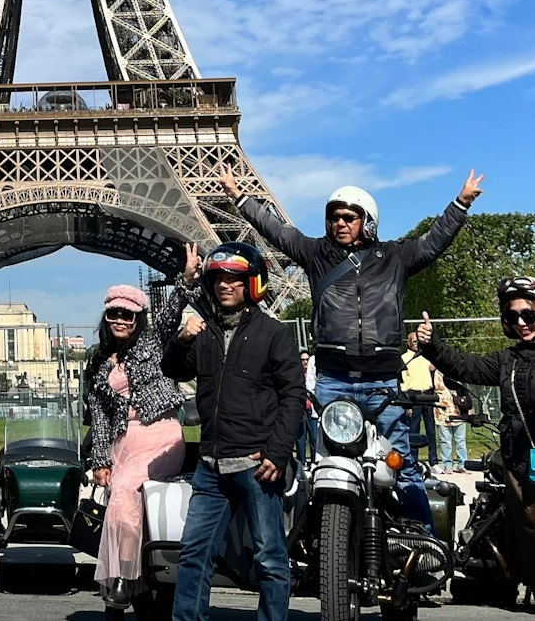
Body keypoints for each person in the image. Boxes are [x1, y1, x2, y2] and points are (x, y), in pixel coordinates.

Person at [226, 164, 483, 527]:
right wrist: (240, 197)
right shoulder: (316, 254)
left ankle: (425, 545)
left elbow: (433, 243)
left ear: (368, 221)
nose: (340, 224)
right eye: (334, 218)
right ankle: (326, 541)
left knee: (404, 468)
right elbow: (277, 232)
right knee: (327, 469)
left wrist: (460, 203)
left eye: (349, 217)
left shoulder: (395, 257)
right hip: (334, 380)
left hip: (382, 383)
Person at [161, 241, 305, 621]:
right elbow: (172, 370)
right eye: (219, 279)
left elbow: (294, 395)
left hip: (255, 465)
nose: (225, 285)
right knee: (193, 555)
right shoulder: (204, 332)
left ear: (252, 284)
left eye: (235, 279)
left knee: (270, 558)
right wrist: (181, 339)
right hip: (211, 466)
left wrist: (277, 452)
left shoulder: (274, 334)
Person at [84, 246, 200, 610]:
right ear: (107, 317)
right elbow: (100, 416)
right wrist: (100, 458)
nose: (120, 320)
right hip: (124, 441)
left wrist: (184, 280)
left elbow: (169, 316)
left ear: (138, 319)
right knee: (122, 491)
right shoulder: (99, 361)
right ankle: (136, 587)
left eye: (128, 315)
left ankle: (121, 579)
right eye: (114, 314)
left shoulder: (152, 341)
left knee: (123, 489)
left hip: (160, 434)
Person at [418, 279, 535, 593]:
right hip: (521, 463)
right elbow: (464, 366)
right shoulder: (506, 362)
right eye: (513, 317)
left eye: (529, 315)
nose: (522, 323)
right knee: (528, 528)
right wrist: (432, 346)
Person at [401, 329, 440, 473]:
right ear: (409, 343)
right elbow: (403, 382)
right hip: (413, 396)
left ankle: (433, 461)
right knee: (414, 430)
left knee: (431, 430)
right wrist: (407, 404)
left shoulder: (425, 356)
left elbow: (434, 368)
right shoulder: (405, 358)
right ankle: (413, 460)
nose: (417, 344)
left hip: (428, 395)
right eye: (415, 341)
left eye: (419, 341)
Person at [432, 370, 469, 474]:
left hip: (458, 409)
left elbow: (464, 389)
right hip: (441, 410)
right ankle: (448, 464)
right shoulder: (433, 373)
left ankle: (462, 464)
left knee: (460, 440)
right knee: (445, 440)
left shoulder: (455, 370)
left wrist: (469, 407)